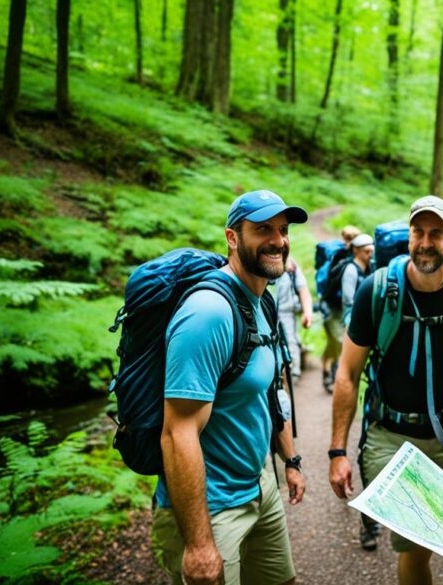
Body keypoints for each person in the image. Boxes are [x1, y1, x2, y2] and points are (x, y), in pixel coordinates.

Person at [329, 196, 443, 585]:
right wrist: (337, 452)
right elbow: (347, 373)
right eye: (418, 232)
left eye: (435, 233)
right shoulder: (377, 292)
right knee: (416, 547)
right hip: (389, 439)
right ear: (409, 236)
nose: (426, 242)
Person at [152, 190, 308, 585]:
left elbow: (269, 393)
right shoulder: (209, 313)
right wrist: (201, 545)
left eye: (283, 229)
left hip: (259, 486)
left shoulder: (263, 301)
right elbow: (177, 431)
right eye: (262, 230)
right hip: (213, 507)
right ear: (232, 237)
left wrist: (289, 460)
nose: (278, 240)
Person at [321, 224, 362, 392]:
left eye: (352, 239)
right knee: (338, 340)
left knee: (334, 342)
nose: (348, 242)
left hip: (339, 307)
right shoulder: (340, 258)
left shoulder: (355, 257)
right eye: (347, 238)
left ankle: (326, 370)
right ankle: (332, 373)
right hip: (332, 307)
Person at [273, 256, 314, 381]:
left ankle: (293, 372)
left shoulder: (292, 267)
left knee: (290, 340)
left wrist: (307, 312)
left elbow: (304, 291)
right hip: (265, 311)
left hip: (287, 312)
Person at [340, 233, 374, 327]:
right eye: (366, 252)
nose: (370, 255)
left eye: (372, 252)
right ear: (356, 251)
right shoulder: (350, 270)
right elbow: (348, 299)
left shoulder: (370, 268)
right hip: (352, 315)